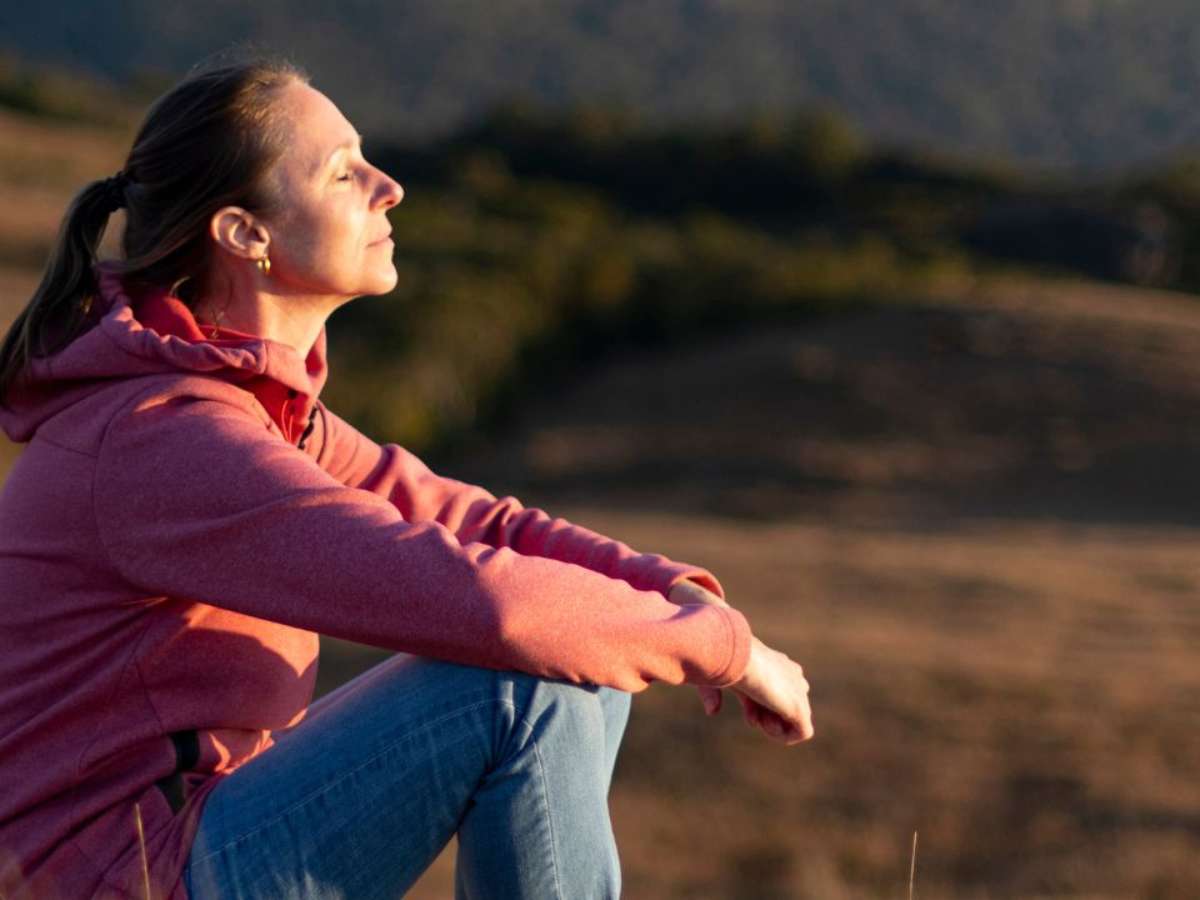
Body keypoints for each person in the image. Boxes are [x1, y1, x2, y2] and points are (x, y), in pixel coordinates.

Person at [0, 52, 813, 900]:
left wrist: (674, 592)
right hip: (123, 876)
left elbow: (481, 526)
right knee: (521, 685)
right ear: (245, 234)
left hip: (194, 837)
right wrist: (723, 653)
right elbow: (488, 606)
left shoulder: (249, 409)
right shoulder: (164, 441)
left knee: (587, 659)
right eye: (343, 172)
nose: (388, 188)